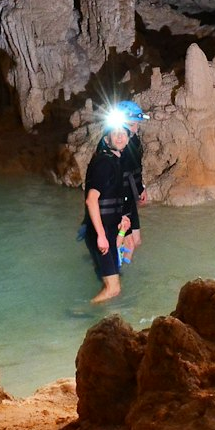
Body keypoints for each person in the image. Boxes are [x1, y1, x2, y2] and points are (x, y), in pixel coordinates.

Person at [82, 119, 135, 302]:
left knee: (112, 287)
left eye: (123, 133)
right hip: (102, 231)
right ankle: (82, 313)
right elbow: (91, 200)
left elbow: (111, 197)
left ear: (128, 139)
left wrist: (122, 223)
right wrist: (101, 235)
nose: (120, 136)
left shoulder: (117, 162)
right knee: (113, 289)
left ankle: (101, 317)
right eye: (115, 133)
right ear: (107, 139)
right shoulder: (104, 163)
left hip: (110, 229)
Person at [110, 100, 148, 259]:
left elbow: (134, 171)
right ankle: (114, 277)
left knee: (136, 241)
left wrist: (141, 188)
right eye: (132, 124)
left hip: (130, 199)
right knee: (128, 243)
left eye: (137, 124)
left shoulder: (134, 142)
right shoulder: (116, 147)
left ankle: (119, 271)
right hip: (120, 201)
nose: (136, 128)